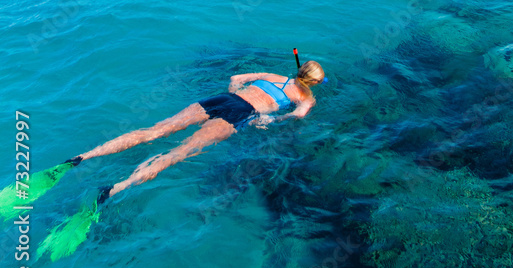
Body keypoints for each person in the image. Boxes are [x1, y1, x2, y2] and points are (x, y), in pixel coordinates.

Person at [72, 61, 325, 202]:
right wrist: (267, 119)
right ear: (312, 82)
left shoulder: (273, 75)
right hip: (241, 114)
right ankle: (115, 189)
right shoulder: (308, 98)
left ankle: (84, 156)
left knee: (156, 130)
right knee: (178, 153)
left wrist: (232, 94)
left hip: (222, 99)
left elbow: (237, 77)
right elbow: (294, 116)